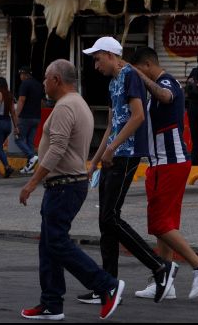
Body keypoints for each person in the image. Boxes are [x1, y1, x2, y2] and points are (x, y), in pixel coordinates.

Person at [19, 59, 125, 321]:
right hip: (67, 185)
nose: (43, 82)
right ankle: (52, 303)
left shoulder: (66, 107)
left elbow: (57, 148)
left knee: (56, 242)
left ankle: (105, 285)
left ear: (56, 80)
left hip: (64, 186)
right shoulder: (79, 103)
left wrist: (32, 182)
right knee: (48, 245)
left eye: (45, 77)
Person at [79, 36, 177, 305]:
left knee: (110, 217)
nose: (95, 66)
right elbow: (110, 127)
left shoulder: (130, 77)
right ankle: (108, 286)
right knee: (105, 222)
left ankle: (159, 266)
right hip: (113, 156)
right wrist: (95, 161)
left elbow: (138, 117)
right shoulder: (113, 83)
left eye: (97, 59)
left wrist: (112, 151)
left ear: (111, 55)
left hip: (127, 154)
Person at [132, 47, 198, 299]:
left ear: (147, 65)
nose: (136, 78)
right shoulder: (156, 85)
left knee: (160, 224)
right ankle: (164, 281)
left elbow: (166, 96)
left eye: (138, 72)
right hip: (163, 163)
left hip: (169, 162)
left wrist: (141, 78)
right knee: (165, 224)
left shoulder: (165, 82)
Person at [16, 66, 44, 175]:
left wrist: (17, 115)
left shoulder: (25, 84)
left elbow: (22, 100)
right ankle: (30, 167)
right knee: (30, 142)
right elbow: (42, 102)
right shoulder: (38, 84)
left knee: (18, 139)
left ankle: (32, 157)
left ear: (25, 74)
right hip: (36, 117)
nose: (20, 77)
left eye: (21, 74)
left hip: (25, 117)